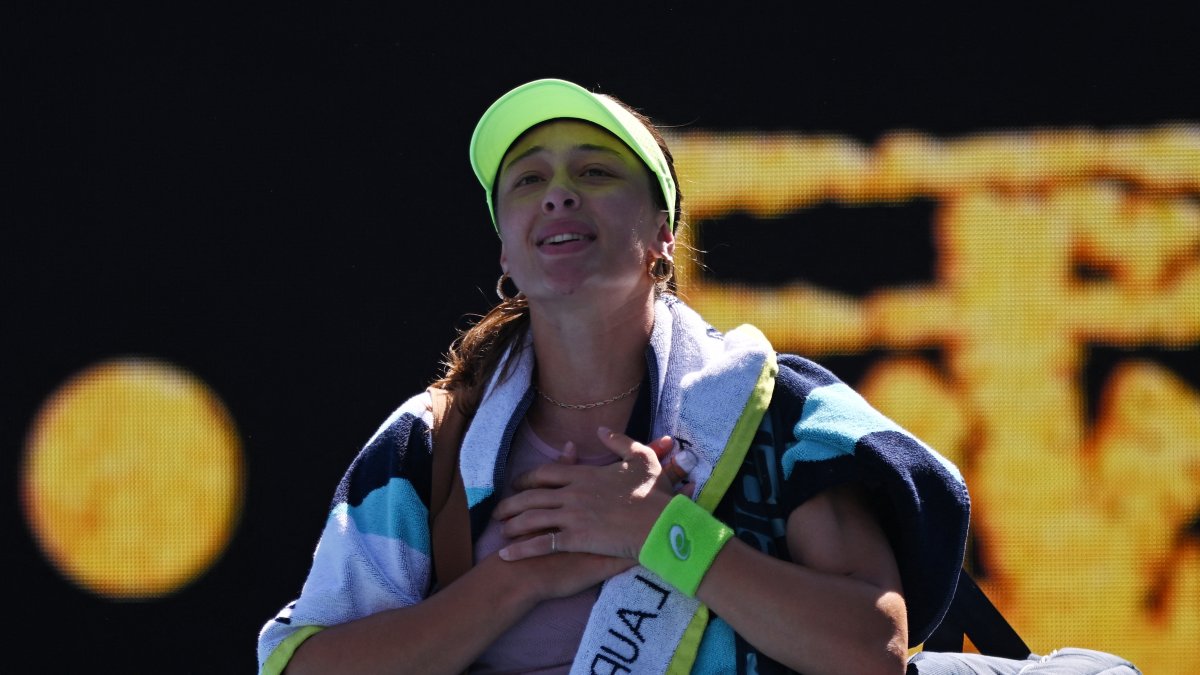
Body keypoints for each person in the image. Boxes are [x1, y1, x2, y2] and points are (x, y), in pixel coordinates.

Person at [256, 77, 974, 675]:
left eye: (594, 171)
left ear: (665, 234)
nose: (558, 194)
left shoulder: (772, 412)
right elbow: (303, 664)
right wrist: (521, 575)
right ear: (506, 249)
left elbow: (873, 649)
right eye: (529, 178)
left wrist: (660, 532)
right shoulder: (432, 439)